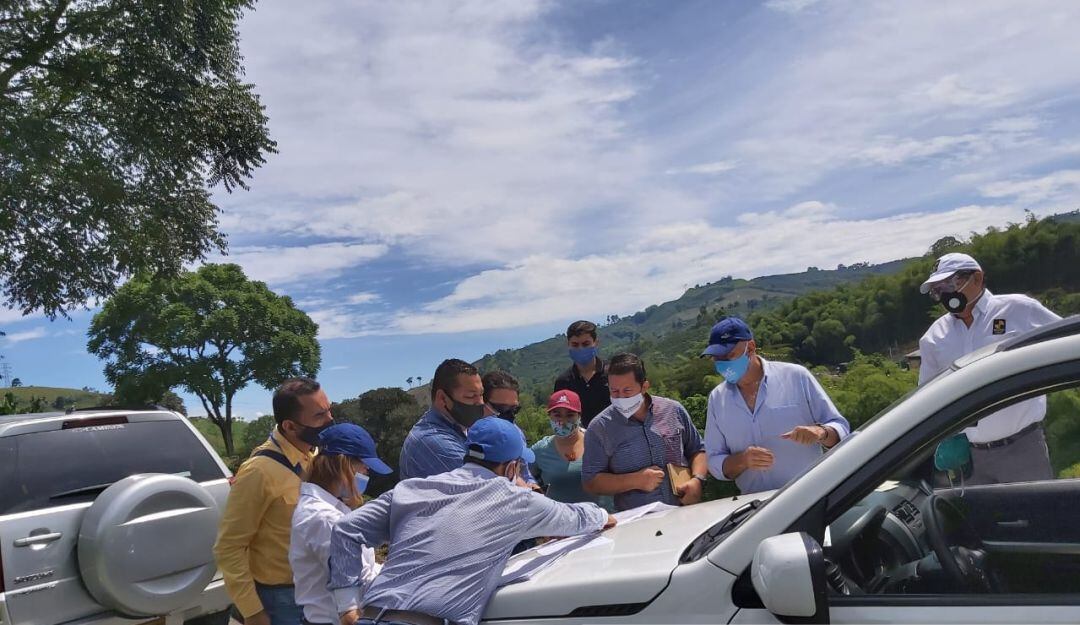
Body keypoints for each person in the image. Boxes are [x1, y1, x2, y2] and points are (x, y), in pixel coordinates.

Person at [328, 417, 616, 625]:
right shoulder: (515, 500)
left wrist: (347, 607)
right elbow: (575, 518)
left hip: (368, 615)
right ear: (512, 466)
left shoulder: (410, 489)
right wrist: (604, 515)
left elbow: (346, 529)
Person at [918, 252, 1061, 485]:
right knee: (980, 521)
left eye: (950, 284)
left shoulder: (1018, 310)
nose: (945, 294)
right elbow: (928, 398)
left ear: (977, 278)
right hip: (970, 458)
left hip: (1023, 448)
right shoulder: (934, 338)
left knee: (1036, 517)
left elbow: (1067, 343)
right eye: (938, 290)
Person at [214, 378, 334, 625]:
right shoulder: (258, 472)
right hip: (281, 600)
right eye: (320, 415)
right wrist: (253, 611)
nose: (330, 420)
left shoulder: (316, 454)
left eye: (329, 409)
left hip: (318, 590)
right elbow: (229, 547)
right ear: (290, 426)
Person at [701, 317, 850, 495]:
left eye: (728, 355)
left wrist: (821, 433)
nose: (723, 363)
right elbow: (714, 460)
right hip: (756, 509)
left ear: (751, 348)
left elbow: (841, 428)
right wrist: (742, 460)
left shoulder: (796, 377)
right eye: (717, 358)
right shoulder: (717, 399)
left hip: (810, 497)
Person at [290, 423, 393, 625]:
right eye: (364, 465)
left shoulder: (328, 509)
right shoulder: (325, 518)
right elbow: (359, 582)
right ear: (342, 464)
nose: (367, 472)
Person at [581, 353, 707, 511]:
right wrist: (634, 480)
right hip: (638, 522)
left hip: (685, 511)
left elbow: (698, 450)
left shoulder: (673, 410)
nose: (620, 398)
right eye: (614, 391)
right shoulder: (600, 428)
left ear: (644, 387)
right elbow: (590, 481)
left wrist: (697, 480)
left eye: (627, 391)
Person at [398, 358, 485, 480]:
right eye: (471, 396)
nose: (480, 402)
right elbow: (486, 486)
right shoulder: (434, 441)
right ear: (443, 398)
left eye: (481, 395)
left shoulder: (458, 428)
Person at [530, 390, 613, 511]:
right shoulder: (540, 450)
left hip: (602, 519)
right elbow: (522, 476)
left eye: (569, 415)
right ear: (550, 416)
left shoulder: (598, 442)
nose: (563, 421)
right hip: (561, 523)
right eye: (557, 415)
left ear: (579, 416)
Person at [554, 320, 610, 427]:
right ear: (568, 345)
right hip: (582, 441)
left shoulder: (613, 372)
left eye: (586, 344)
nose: (580, 348)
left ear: (596, 343)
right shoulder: (563, 383)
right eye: (575, 344)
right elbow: (561, 419)